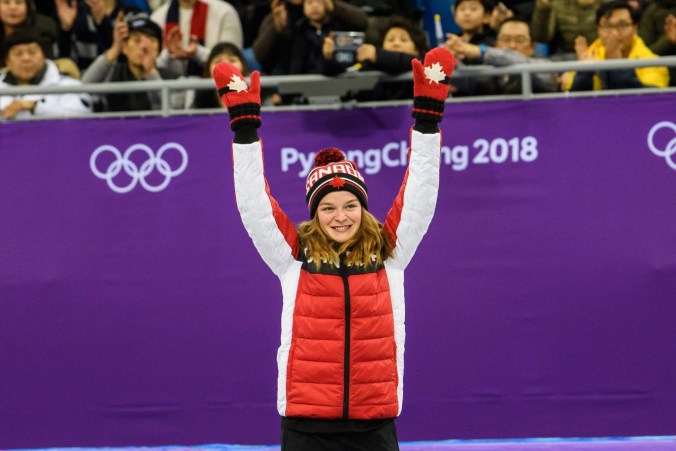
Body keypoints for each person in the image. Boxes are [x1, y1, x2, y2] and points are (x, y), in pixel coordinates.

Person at [212, 46, 455, 450]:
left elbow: (420, 194)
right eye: (328, 207)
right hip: (307, 427)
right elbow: (254, 204)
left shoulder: (389, 253)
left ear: (363, 207)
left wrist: (427, 120)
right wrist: (244, 131)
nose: (340, 216)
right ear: (314, 213)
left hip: (373, 425)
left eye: (349, 205)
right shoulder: (294, 258)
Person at [82, 12, 180, 111]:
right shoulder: (113, 74)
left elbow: (174, 113)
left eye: (151, 41)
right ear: (125, 47)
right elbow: (83, 89)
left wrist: (151, 73)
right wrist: (115, 49)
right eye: (137, 40)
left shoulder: (171, 79)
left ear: (159, 49)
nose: (143, 47)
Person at [565, 0, 670, 91]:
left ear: (635, 28)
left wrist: (618, 65)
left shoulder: (653, 63)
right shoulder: (590, 55)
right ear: (598, 30)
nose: (614, 33)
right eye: (607, 26)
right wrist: (584, 75)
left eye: (622, 25)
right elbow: (575, 102)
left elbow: (648, 101)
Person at [322, 15, 426, 100]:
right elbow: (341, 73)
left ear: (416, 49)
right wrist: (331, 58)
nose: (396, 44)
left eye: (403, 40)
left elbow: (413, 62)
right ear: (382, 46)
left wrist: (376, 54)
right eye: (390, 40)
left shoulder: (425, 66)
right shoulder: (369, 66)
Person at [445, 17, 558, 94]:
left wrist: (481, 52)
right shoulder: (489, 70)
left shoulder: (544, 66)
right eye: (506, 39)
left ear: (533, 46)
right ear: (496, 45)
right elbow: (463, 81)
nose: (512, 45)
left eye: (520, 40)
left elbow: (549, 79)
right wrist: (450, 59)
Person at [252, 0, 367, 75]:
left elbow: (362, 22)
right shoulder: (286, 20)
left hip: (337, 77)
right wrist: (278, 28)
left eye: (318, 2)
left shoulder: (335, 22)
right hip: (298, 82)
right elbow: (261, 56)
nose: (314, 6)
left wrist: (333, 6)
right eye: (310, 2)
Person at [0, 26, 92, 119]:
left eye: (32, 52)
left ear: (44, 56)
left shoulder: (69, 85)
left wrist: (35, 106)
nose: (26, 58)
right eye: (18, 53)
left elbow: (81, 116)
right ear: (7, 61)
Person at [151, 0, 243, 76]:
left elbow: (233, 63)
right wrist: (169, 55)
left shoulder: (225, 12)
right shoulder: (156, 17)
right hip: (168, 91)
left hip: (216, 90)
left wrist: (198, 53)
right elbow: (148, 65)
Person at [530, 0, 601, 57]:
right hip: (566, 56)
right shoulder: (559, 4)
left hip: (601, 53)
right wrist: (543, 6)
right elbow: (541, 37)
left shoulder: (607, 3)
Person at [0, 0, 58, 65]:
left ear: (28, 7)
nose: (13, 7)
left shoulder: (43, 32)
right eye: (6, 2)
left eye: (18, 2)